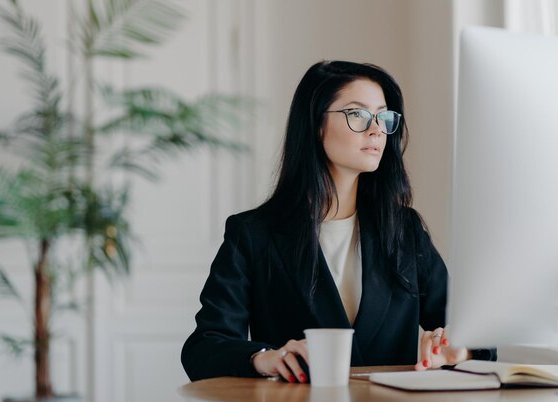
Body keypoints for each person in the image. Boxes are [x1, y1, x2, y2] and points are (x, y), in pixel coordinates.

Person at [181, 60, 490, 384]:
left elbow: (475, 331)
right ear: (316, 124)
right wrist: (266, 358)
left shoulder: (404, 230)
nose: (376, 129)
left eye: (384, 116)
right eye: (357, 114)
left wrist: (458, 350)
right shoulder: (253, 234)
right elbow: (203, 348)